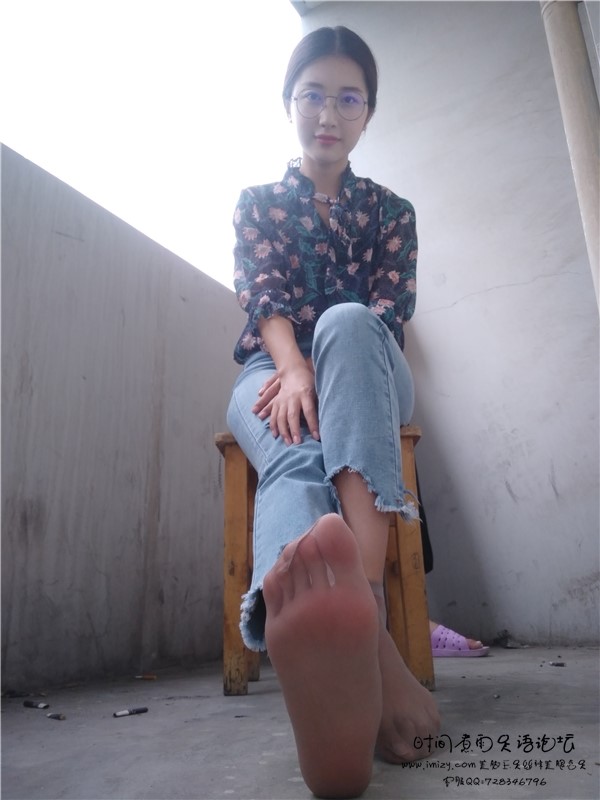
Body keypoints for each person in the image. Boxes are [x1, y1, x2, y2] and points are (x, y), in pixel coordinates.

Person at [227, 25, 441, 798]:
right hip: (272, 366)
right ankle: (361, 644)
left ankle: (358, 604)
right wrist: (291, 369)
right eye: (313, 94)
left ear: (368, 112)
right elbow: (264, 298)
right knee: (289, 448)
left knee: (349, 321)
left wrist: (319, 365)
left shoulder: (392, 212)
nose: (328, 113)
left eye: (349, 98)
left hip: (368, 370)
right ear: (289, 101)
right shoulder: (258, 204)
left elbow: (387, 313)